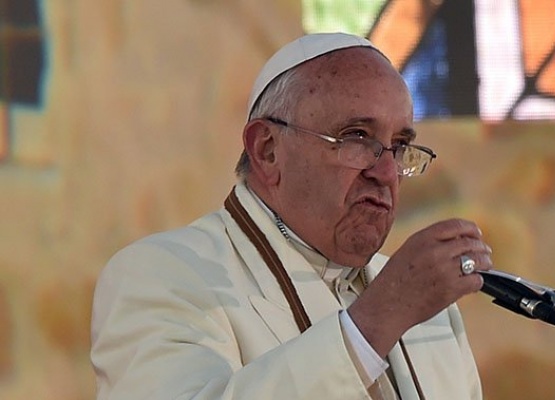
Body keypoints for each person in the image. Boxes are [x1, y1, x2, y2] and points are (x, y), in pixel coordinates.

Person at [90, 32, 491, 400]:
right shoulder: (162, 276)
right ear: (266, 149)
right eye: (355, 137)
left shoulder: (426, 307)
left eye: (400, 145)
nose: (385, 173)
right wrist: (378, 319)